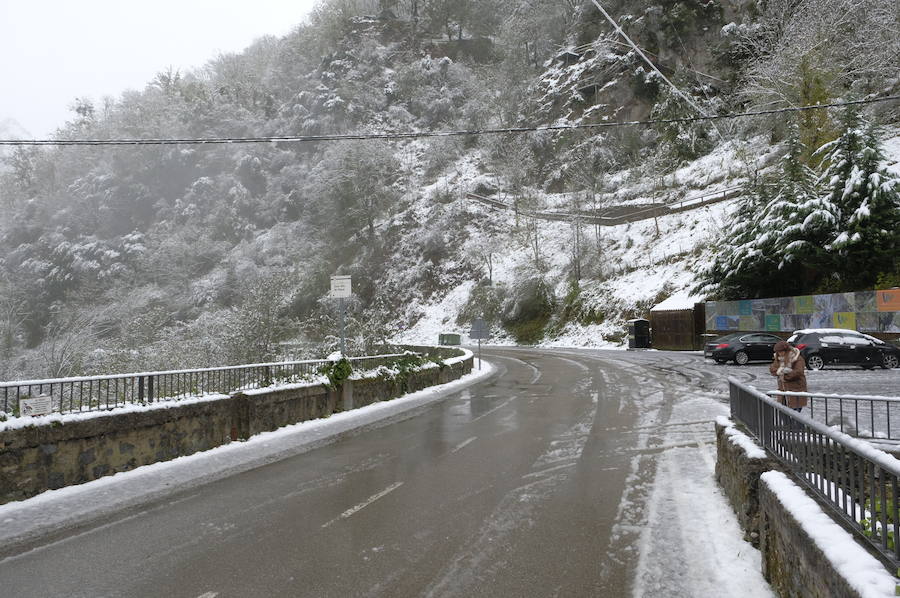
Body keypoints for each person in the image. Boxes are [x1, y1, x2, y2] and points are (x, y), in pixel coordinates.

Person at [769, 340, 808, 428]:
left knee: (795, 413)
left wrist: (784, 376)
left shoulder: (797, 358)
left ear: (786, 351)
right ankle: (789, 428)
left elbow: (798, 372)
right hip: (783, 391)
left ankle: (800, 430)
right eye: (778, 352)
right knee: (782, 411)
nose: (780, 354)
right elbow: (772, 369)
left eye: (781, 352)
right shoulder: (778, 359)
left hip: (796, 389)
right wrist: (781, 371)